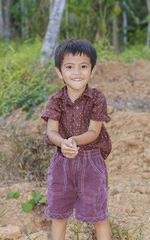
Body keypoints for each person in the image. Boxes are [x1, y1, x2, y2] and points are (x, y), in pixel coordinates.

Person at [41, 38, 112, 240]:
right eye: (69, 67)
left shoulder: (97, 98)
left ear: (93, 70)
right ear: (59, 72)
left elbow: (93, 132)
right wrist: (62, 143)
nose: (77, 72)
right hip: (62, 163)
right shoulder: (55, 100)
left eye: (83, 66)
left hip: (91, 163)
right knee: (58, 214)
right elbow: (51, 132)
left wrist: (71, 140)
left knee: (98, 215)